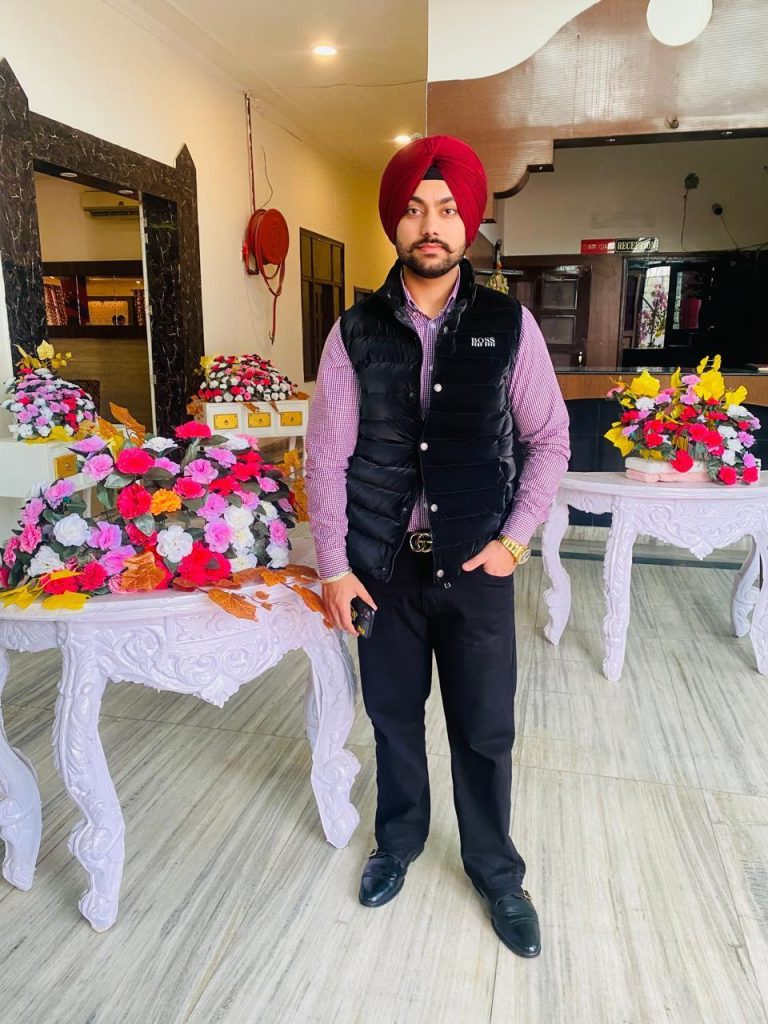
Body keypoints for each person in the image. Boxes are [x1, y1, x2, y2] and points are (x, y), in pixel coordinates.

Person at [304, 135, 570, 959]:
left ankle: (497, 872)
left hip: (477, 565)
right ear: (395, 222)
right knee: (392, 721)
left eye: (448, 210)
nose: (431, 224)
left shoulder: (507, 324)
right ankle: (398, 842)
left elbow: (550, 439)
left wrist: (515, 542)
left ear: (469, 223)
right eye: (416, 209)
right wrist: (335, 567)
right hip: (383, 567)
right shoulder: (355, 332)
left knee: (485, 729)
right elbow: (325, 458)